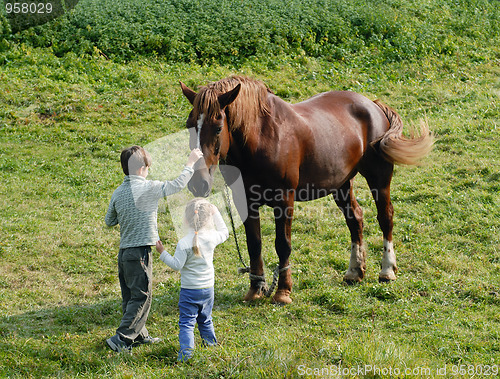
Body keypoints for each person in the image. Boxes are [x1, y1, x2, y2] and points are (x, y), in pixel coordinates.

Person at [105, 145, 203, 353]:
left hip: (124, 254)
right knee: (142, 296)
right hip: (140, 253)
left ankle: (139, 335)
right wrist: (190, 163)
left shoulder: (118, 193)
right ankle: (121, 338)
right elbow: (177, 185)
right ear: (143, 168)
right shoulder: (149, 188)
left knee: (131, 296)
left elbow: (109, 220)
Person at [155, 198, 229, 362]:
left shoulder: (183, 243)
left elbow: (176, 265)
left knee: (187, 323)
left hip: (189, 291)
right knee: (206, 319)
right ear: (208, 219)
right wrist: (216, 212)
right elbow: (225, 231)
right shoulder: (211, 237)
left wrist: (162, 252)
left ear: (186, 220)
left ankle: (187, 355)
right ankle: (210, 347)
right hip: (208, 288)